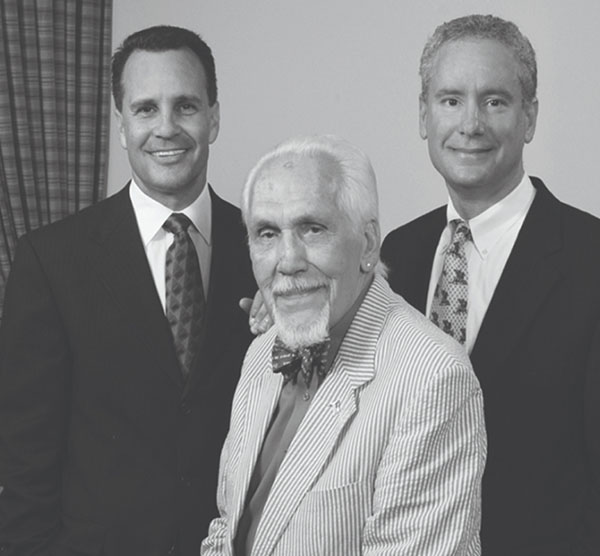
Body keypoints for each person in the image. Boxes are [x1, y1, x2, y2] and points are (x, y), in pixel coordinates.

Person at [0, 25, 256, 555]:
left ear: (213, 117)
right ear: (121, 125)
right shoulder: (51, 260)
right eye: (145, 109)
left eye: (186, 106)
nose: (166, 127)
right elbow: (24, 460)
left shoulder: (265, 249)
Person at [202, 135, 486, 556]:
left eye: (312, 229)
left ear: (368, 244)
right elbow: (226, 530)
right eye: (267, 234)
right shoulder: (262, 352)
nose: (287, 260)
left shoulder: (434, 377)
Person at [381, 14, 600, 556]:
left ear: (530, 117)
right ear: (424, 115)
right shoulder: (395, 255)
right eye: (451, 100)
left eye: (495, 101)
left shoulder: (590, 257)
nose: (470, 123)